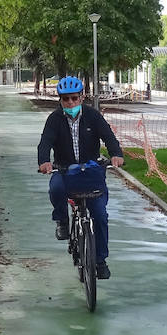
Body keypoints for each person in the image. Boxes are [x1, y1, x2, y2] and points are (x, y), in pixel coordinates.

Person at [37, 76, 125, 279]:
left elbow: (109, 137)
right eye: (65, 99)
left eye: (74, 98)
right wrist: (44, 161)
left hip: (91, 170)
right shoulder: (55, 119)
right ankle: (62, 221)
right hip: (65, 169)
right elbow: (45, 142)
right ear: (60, 100)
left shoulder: (93, 116)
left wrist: (116, 154)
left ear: (82, 97)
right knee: (56, 188)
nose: (70, 103)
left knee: (100, 215)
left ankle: (101, 261)